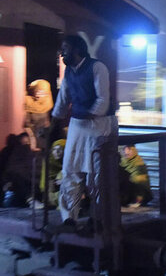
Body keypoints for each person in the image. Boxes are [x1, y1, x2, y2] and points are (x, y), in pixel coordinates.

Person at [50, 34, 118, 230]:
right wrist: (53, 122)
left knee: (97, 175)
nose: (62, 53)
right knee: (70, 170)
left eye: (65, 49)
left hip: (100, 125)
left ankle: (98, 218)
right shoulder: (69, 73)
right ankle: (69, 218)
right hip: (78, 124)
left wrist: (88, 114)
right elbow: (63, 99)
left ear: (77, 50)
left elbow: (102, 99)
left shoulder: (97, 67)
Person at [24, 79, 54, 151]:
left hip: (44, 139)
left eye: (42, 92)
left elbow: (47, 123)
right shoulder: (28, 102)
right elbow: (27, 125)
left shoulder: (47, 103)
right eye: (37, 91)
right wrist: (33, 141)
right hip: (32, 140)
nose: (39, 94)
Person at [39, 139, 65, 208]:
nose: (56, 152)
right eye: (54, 150)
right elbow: (45, 182)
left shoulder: (70, 161)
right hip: (51, 191)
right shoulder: (49, 160)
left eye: (60, 150)